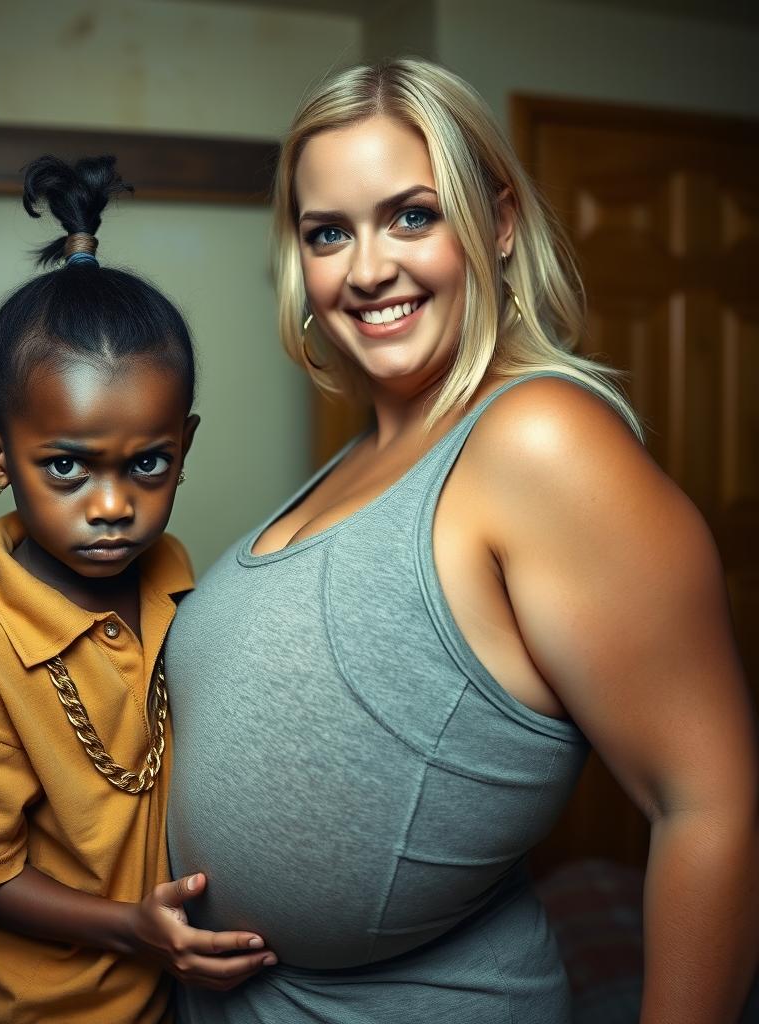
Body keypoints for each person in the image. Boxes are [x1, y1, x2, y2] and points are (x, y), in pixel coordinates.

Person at [165, 59, 758, 1023]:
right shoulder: (362, 455)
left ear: (500, 222)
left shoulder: (541, 442)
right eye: (328, 232)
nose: (367, 270)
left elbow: (710, 806)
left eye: (411, 214)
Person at [0, 154, 275, 1024]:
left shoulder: (187, 590)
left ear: (183, 445)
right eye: (66, 466)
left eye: (148, 464)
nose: (113, 508)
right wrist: (131, 929)